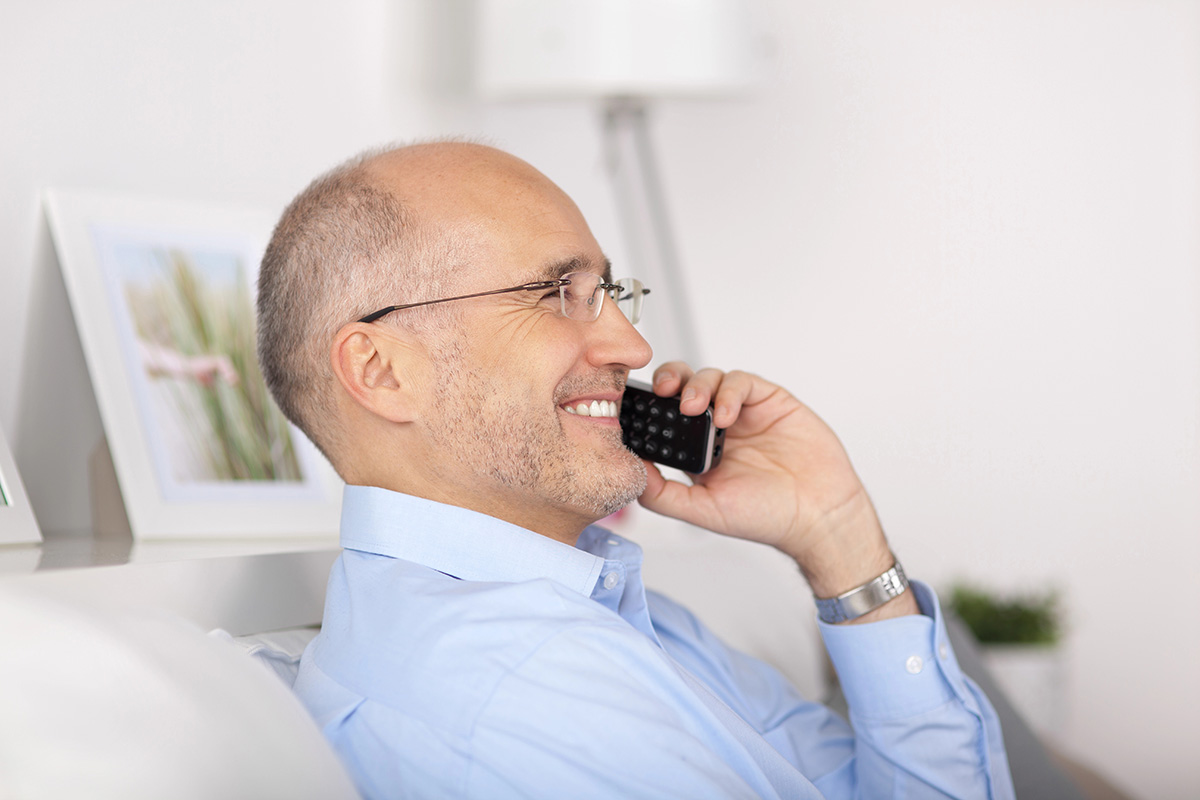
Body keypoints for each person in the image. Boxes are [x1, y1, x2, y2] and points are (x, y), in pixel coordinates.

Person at [256, 141, 1014, 799]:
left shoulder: (610, 610)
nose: (631, 347)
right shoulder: (531, 693)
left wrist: (838, 535)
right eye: (559, 295)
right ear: (382, 370)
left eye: (609, 294)